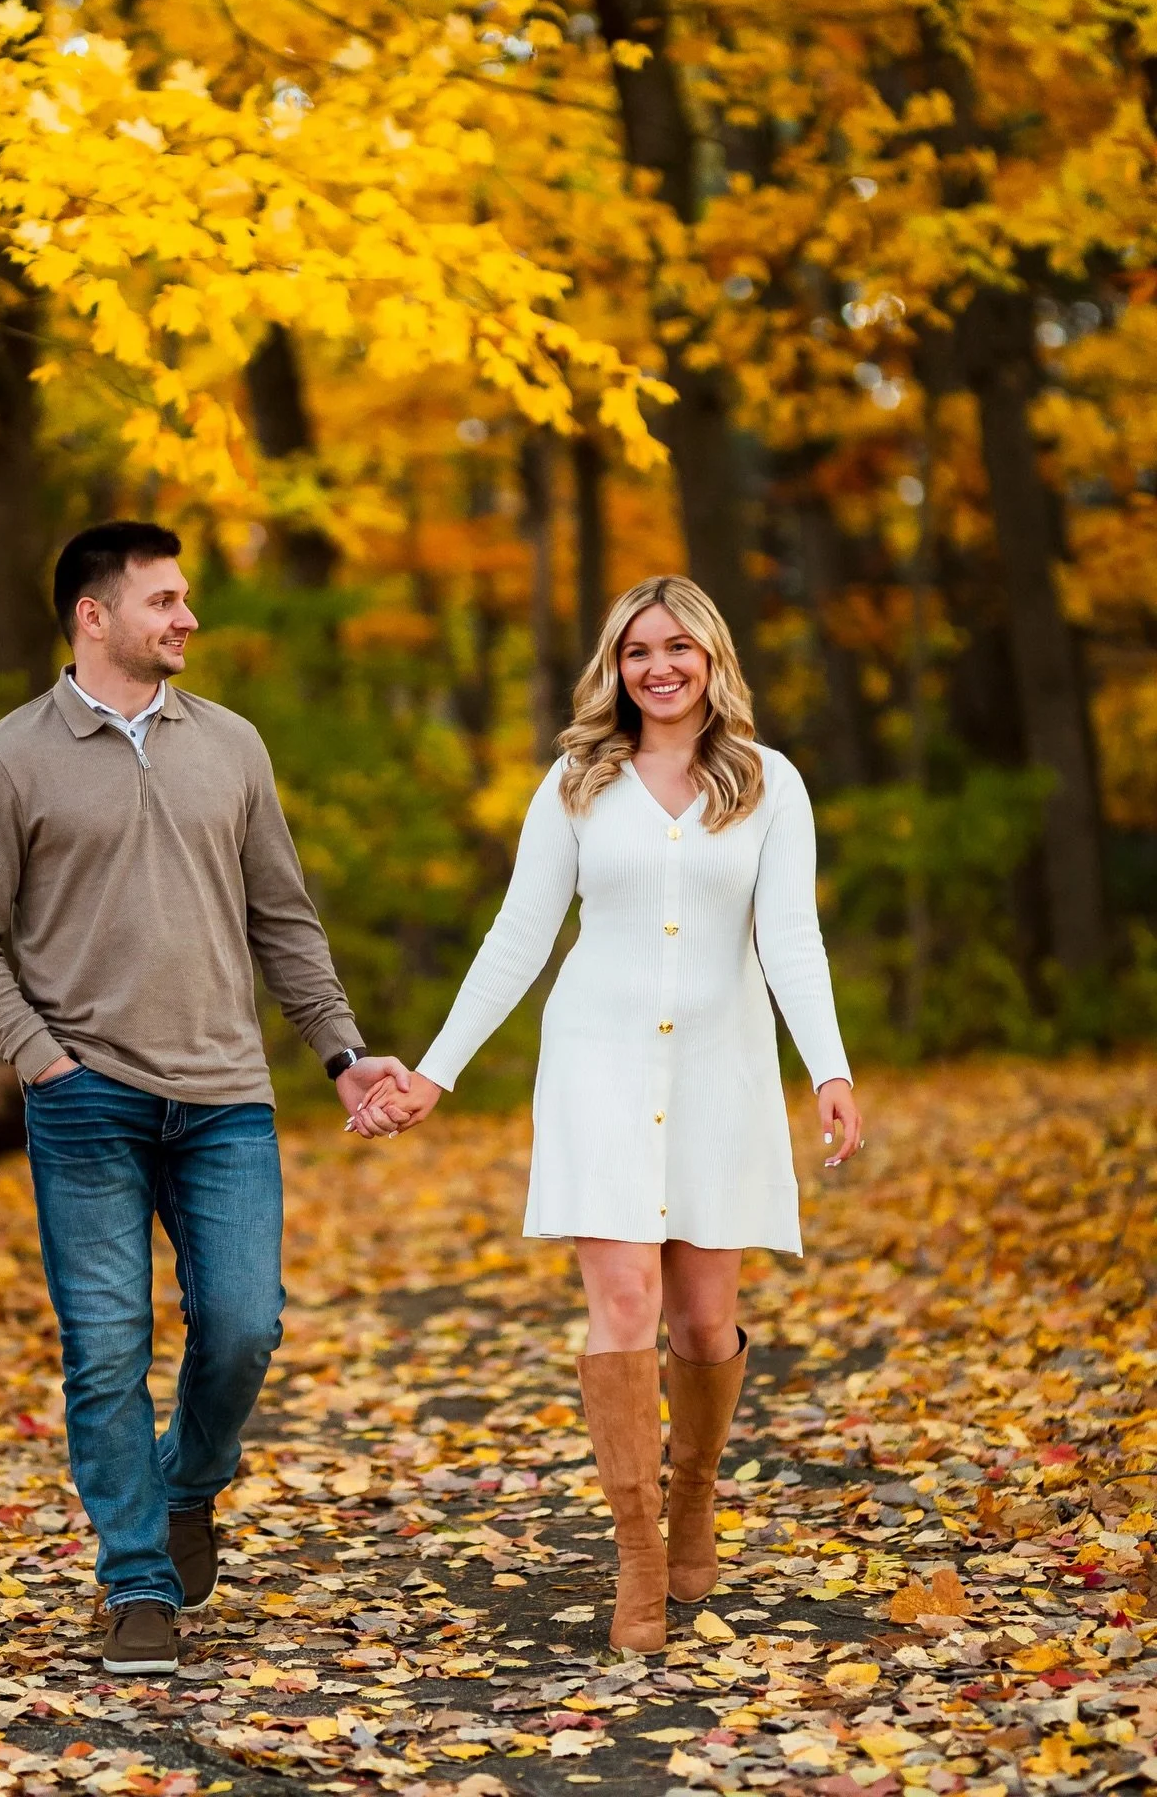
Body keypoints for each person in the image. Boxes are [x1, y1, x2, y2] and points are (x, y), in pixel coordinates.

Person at [0, 521, 411, 1676]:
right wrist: (41, 1059)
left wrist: (340, 1051)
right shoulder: (10, 759)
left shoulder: (232, 746)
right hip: (85, 1096)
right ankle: (138, 1584)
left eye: (186, 597)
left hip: (227, 1096)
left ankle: (189, 1485)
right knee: (106, 1350)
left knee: (244, 1327)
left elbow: (282, 918)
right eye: (164, 600)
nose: (188, 617)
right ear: (93, 615)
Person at [354, 574, 861, 1654]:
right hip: (599, 1064)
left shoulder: (769, 783)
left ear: (712, 658)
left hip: (721, 1070)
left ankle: (694, 1497)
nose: (658, 667)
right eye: (638, 652)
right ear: (615, 668)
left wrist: (830, 1067)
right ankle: (637, 1557)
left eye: (678, 648)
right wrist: (436, 1073)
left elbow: (791, 937)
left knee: (703, 1322)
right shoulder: (576, 783)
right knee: (625, 1299)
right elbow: (518, 935)